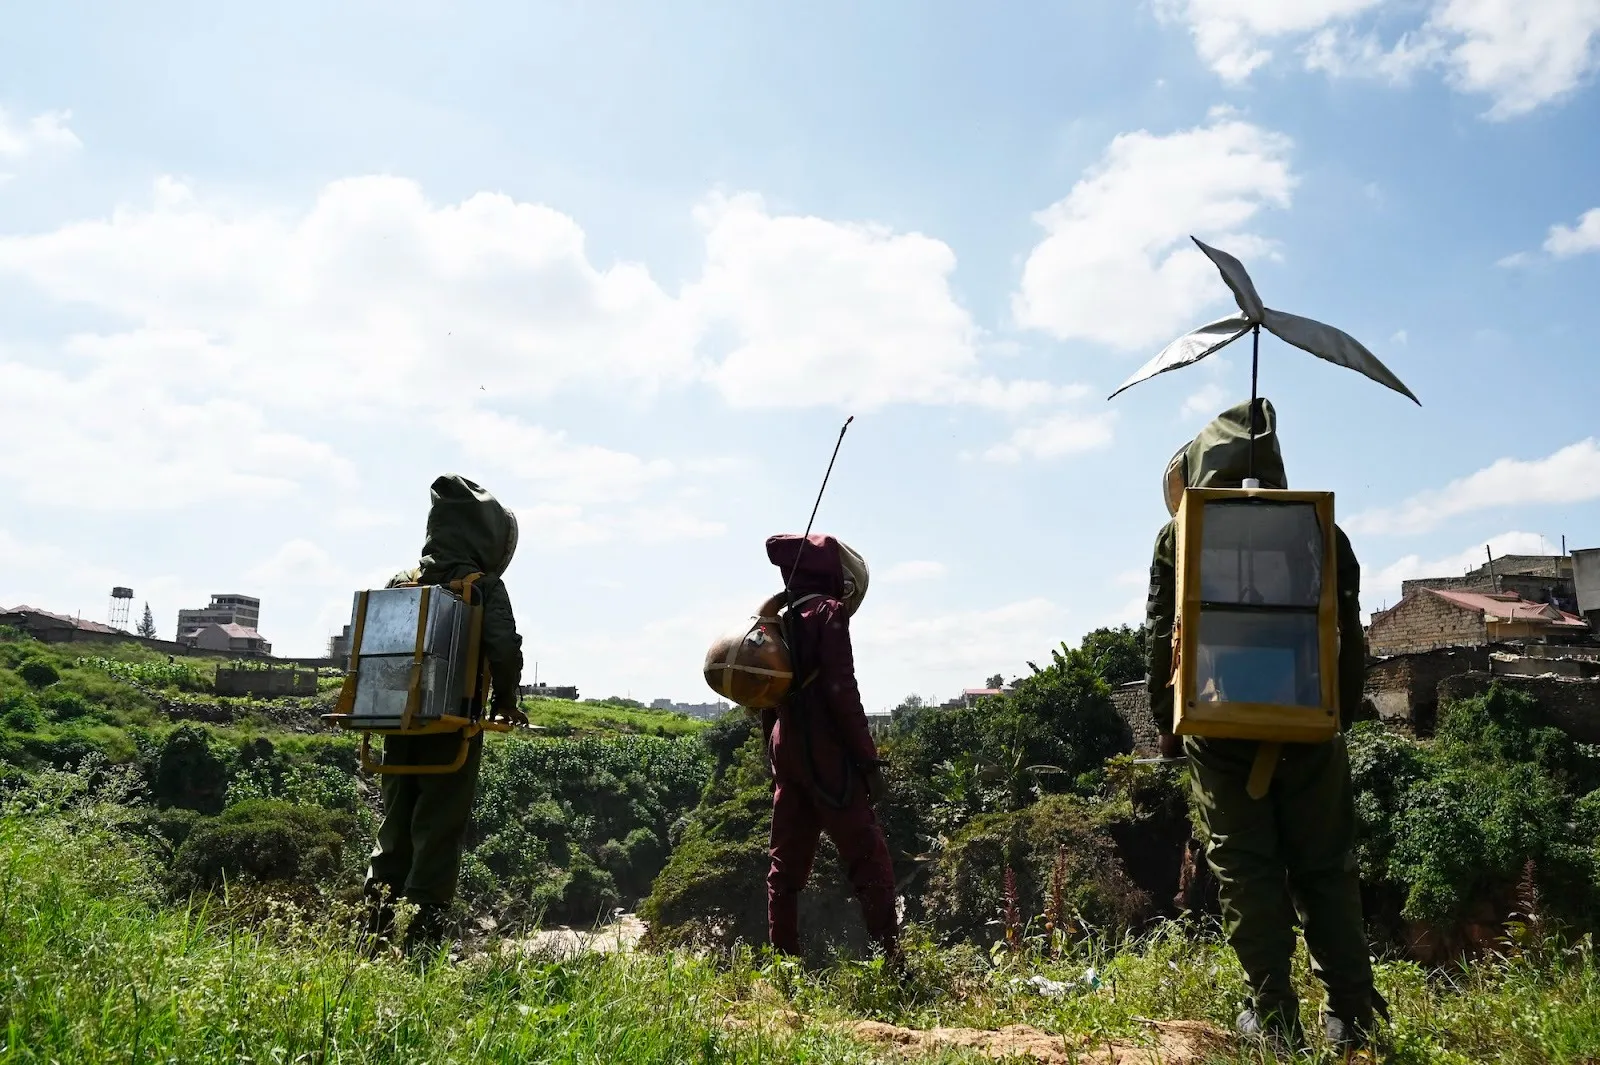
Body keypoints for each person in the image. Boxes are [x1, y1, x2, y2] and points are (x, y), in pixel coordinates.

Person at [1144, 399, 1385, 1053]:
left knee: (1247, 871)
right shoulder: (1322, 530)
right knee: (1326, 869)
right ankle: (1352, 1017)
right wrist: (1341, 714)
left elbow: (1160, 633)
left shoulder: (1179, 536)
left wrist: (1167, 722)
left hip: (1219, 727)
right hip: (1309, 721)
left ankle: (1276, 1017)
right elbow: (1347, 641)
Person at [363, 474, 527, 953]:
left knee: (393, 828)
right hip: (453, 727)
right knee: (438, 828)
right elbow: (504, 648)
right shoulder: (482, 586)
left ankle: (370, 938)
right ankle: (420, 947)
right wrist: (508, 701)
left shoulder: (401, 583)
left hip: (396, 723)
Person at [761, 533, 899, 964]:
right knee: (868, 857)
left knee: (783, 869)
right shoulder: (828, 612)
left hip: (788, 755)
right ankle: (890, 961)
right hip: (829, 759)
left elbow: (767, 699)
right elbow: (843, 692)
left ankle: (784, 965)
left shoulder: (776, 621)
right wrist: (869, 761)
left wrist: (775, 759)